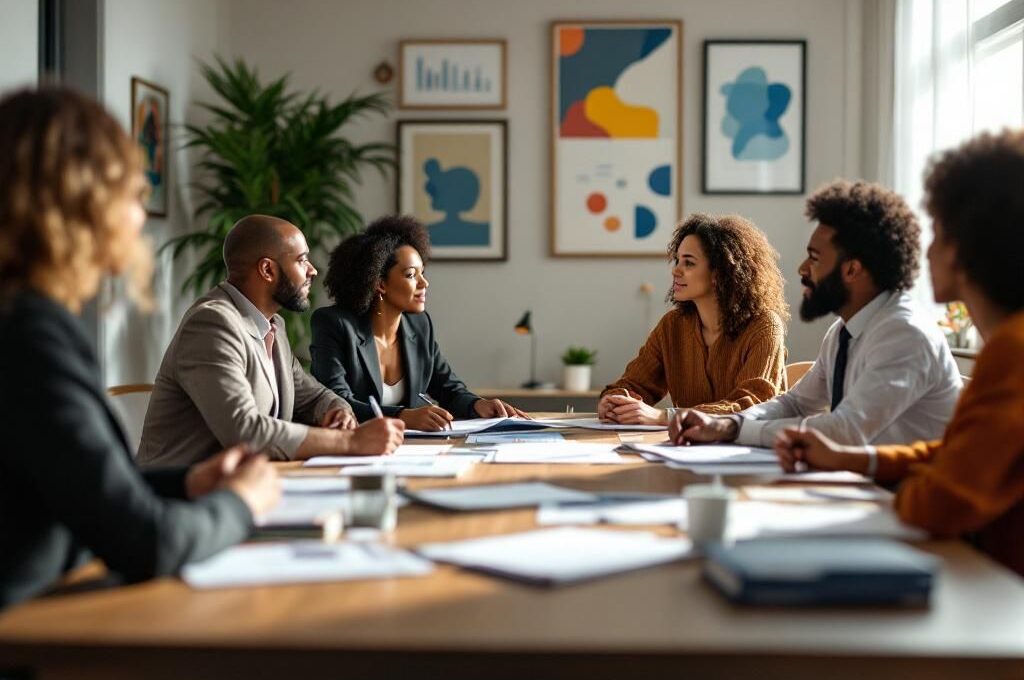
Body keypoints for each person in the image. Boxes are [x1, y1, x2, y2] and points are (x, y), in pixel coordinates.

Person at [0, 88, 280, 609]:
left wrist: (187, 482)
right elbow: (144, 542)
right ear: (79, 202)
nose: (138, 217)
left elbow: (86, 489)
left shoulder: (27, 321)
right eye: (131, 194)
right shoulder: (29, 339)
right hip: (33, 641)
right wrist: (242, 504)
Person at [774, 130, 1024, 576]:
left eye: (939, 232)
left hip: (997, 594)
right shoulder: (1006, 345)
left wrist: (881, 492)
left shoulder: (1012, 351)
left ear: (970, 247)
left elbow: (943, 500)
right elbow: (956, 451)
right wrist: (857, 460)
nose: (926, 251)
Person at [670, 180, 961, 446]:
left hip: (902, 495)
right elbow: (795, 404)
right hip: (859, 485)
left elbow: (845, 430)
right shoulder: (843, 332)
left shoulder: (903, 333)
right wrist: (726, 422)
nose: (802, 269)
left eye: (815, 258)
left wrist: (732, 431)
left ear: (852, 269)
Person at [137, 215, 405, 466]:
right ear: (267, 270)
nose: (312, 271)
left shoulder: (272, 325)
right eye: (301, 260)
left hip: (245, 488)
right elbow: (244, 431)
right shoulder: (211, 324)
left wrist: (337, 411)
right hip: (179, 499)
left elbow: (313, 396)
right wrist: (349, 442)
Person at [310, 215, 526, 431]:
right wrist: (403, 416)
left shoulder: (419, 325)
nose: (424, 283)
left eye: (422, 273)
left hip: (411, 450)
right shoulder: (333, 324)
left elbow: (448, 388)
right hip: (356, 450)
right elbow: (336, 402)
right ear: (380, 283)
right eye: (411, 275)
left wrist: (477, 404)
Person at [598, 214, 789, 425]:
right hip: (687, 449)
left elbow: (751, 405)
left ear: (720, 272)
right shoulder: (672, 326)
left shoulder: (765, 326)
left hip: (749, 451)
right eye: (677, 260)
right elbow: (635, 384)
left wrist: (665, 417)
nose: (675, 270)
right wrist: (615, 400)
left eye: (688, 263)